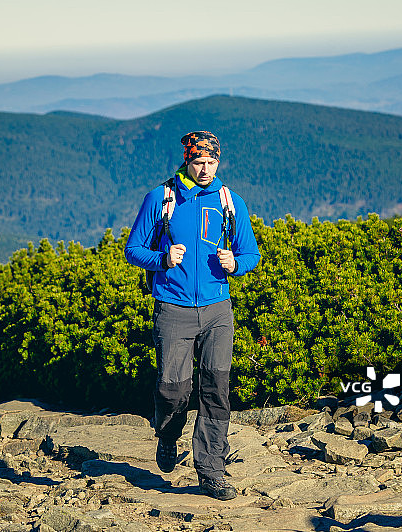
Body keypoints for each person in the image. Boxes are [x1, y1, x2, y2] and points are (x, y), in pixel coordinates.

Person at [124, 131, 261, 500]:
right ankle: (168, 435)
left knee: (216, 389)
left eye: (212, 162)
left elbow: (252, 254)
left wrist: (236, 265)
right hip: (173, 308)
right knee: (173, 390)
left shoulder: (230, 201)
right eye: (199, 162)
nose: (205, 169)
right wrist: (162, 259)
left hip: (218, 309)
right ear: (187, 160)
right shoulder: (162, 198)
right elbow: (133, 249)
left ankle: (211, 470)